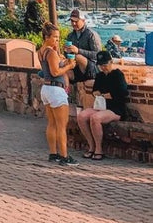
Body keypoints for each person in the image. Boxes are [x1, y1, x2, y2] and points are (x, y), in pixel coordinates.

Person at [38, 21, 78, 165]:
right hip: (56, 89)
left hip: (46, 88)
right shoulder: (51, 52)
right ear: (47, 37)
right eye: (54, 37)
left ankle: (53, 153)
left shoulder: (41, 51)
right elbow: (55, 72)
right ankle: (64, 156)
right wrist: (69, 66)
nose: (57, 40)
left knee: (52, 123)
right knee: (61, 125)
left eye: (58, 37)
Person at [77, 51, 129, 160]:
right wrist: (97, 93)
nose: (103, 68)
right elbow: (95, 90)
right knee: (82, 116)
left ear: (110, 62)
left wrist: (110, 95)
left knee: (95, 118)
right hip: (101, 106)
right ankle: (91, 146)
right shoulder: (100, 76)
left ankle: (99, 149)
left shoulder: (117, 74)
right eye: (101, 66)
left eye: (105, 65)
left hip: (115, 109)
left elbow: (123, 92)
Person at [65, 9, 101, 105]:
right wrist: (66, 51)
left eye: (76, 21)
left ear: (83, 21)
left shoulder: (91, 35)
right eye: (72, 21)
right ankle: (67, 94)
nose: (73, 24)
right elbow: (69, 56)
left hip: (92, 68)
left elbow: (98, 55)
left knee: (78, 57)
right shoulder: (70, 36)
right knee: (62, 67)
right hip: (76, 68)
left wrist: (78, 51)